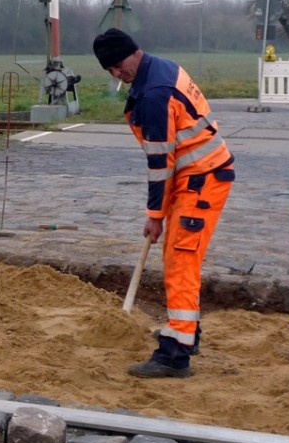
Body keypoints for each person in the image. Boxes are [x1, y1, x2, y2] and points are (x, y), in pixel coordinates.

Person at [93, 28, 235, 378]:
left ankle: (174, 355)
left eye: (118, 65)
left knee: (180, 260)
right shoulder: (161, 69)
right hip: (195, 176)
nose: (116, 74)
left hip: (201, 179)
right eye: (109, 70)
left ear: (133, 52)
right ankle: (188, 334)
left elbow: (160, 164)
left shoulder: (155, 93)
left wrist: (155, 216)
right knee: (180, 256)